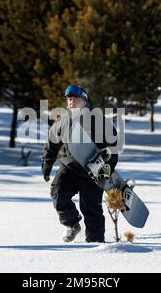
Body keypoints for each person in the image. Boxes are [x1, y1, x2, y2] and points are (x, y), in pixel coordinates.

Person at [42, 85, 118, 243]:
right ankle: (71, 224)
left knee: (91, 210)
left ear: (85, 101)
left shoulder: (97, 119)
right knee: (58, 193)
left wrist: (107, 167)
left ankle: (95, 243)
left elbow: (112, 146)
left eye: (75, 99)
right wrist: (46, 164)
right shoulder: (62, 120)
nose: (71, 102)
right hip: (68, 167)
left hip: (92, 172)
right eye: (69, 99)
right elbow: (51, 144)